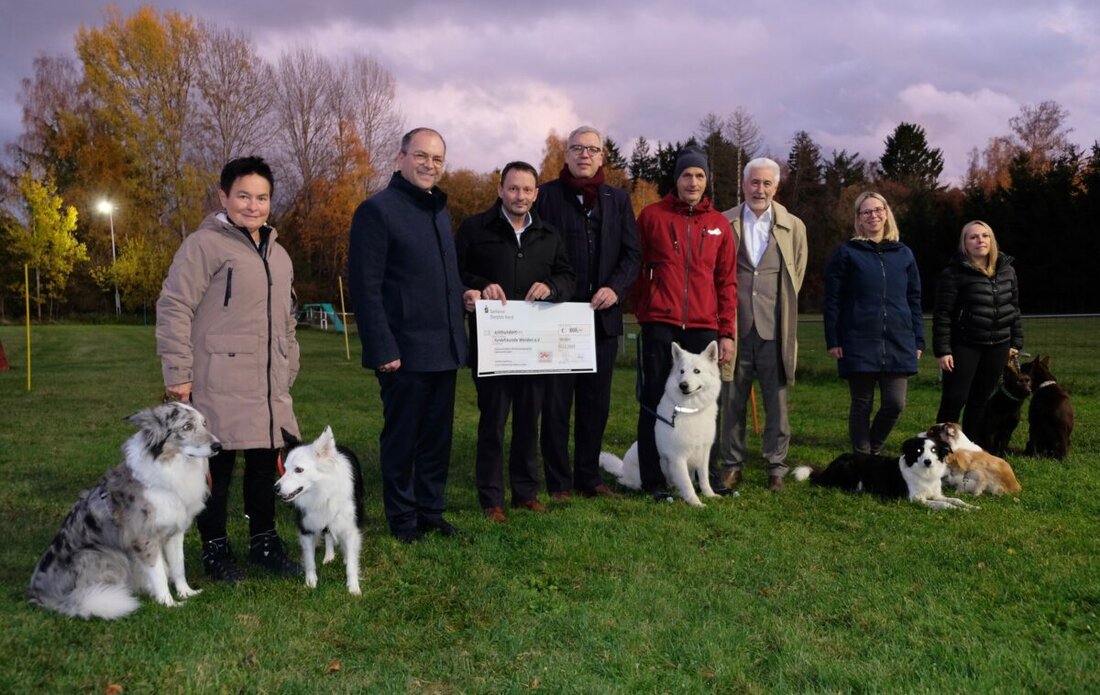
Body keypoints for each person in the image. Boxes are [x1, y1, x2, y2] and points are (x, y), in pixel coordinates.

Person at [156, 156, 302, 582]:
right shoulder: (203, 246)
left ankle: (264, 543)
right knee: (215, 470)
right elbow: (174, 306)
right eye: (243, 196)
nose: (253, 206)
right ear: (223, 196)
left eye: (262, 198)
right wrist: (178, 373)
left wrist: (289, 363)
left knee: (263, 466)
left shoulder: (279, 255)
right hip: (217, 380)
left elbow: (287, 318)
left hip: (268, 386)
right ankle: (215, 549)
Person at [348, 127, 476, 543]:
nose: (429, 165)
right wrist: (382, 348)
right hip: (403, 352)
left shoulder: (439, 211)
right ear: (400, 158)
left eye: (437, 159)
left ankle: (430, 511)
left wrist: (464, 294)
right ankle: (403, 518)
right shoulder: (377, 211)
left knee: (437, 440)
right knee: (403, 440)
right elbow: (365, 288)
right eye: (421, 155)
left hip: (444, 349)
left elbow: (437, 278)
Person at [456, 161, 576, 523]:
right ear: (500, 190)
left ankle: (525, 492)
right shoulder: (474, 229)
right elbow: (456, 273)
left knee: (528, 421)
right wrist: (476, 287)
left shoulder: (549, 235)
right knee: (493, 421)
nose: (519, 196)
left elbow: (568, 276)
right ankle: (491, 497)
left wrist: (552, 287)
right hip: (493, 345)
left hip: (534, 349)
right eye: (512, 188)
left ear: (536, 194)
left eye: (526, 189)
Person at [535, 126, 641, 500]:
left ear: (601, 157)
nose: (585, 154)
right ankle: (558, 481)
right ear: (566, 154)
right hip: (557, 318)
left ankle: (589, 477)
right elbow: (533, 249)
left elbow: (632, 254)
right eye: (578, 148)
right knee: (557, 404)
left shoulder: (618, 200)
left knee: (595, 404)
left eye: (592, 149)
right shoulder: (545, 196)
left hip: (601, 320)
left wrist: (615, 288)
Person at [632, 145, 737, 502]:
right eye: (687, 175)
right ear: (676, 179)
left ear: (707, 181)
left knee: (705, 403)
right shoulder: (652, 217)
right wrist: (645, 308)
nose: (693, 182)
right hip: (661, 322)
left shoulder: (719, 225)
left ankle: (707, 477)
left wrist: (727, 332)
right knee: (654, 397)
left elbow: (727, 282)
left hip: (704, 325)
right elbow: (636, 266)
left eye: (700, 176)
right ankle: (652, 478)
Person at [715, 157, 807, 492]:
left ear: (776, 187)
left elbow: (797, 273)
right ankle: (732, 465)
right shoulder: (724, 222)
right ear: (744, 185)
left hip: (774, 329)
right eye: (754, 182)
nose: (760, 189)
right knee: (731, 402)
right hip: (734, 329)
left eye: (767, 183)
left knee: (777, 404)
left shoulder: (793, 226)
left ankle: (776, 467)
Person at [823, 192, 924, 455]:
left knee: (895, 403)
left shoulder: (904, 253)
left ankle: (873, 450)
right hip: (858, 339)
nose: (873, 216)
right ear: (858, 218)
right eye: (866, 212)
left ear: (886, 213)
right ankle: (862, 457)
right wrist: (833, 339)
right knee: (862, 403)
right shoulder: (846, 253)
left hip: (899, 339)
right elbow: (832, 299)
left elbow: (914, 298)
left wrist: (918, 338)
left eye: (878, 210)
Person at [933, 220, 1023, 443]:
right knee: (955, 398)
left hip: (998, 345)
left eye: (985, 236)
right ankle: (941, 447)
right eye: (973, 237)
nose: (980, 240)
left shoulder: (1007, 270)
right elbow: (943, 314)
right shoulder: (953, 274)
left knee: (980, 401)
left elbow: (1013, 308)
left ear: (992, 241)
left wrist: (1015, 342)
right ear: (964, 244)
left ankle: (970, 448)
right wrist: (943, 350)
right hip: (964, 345)